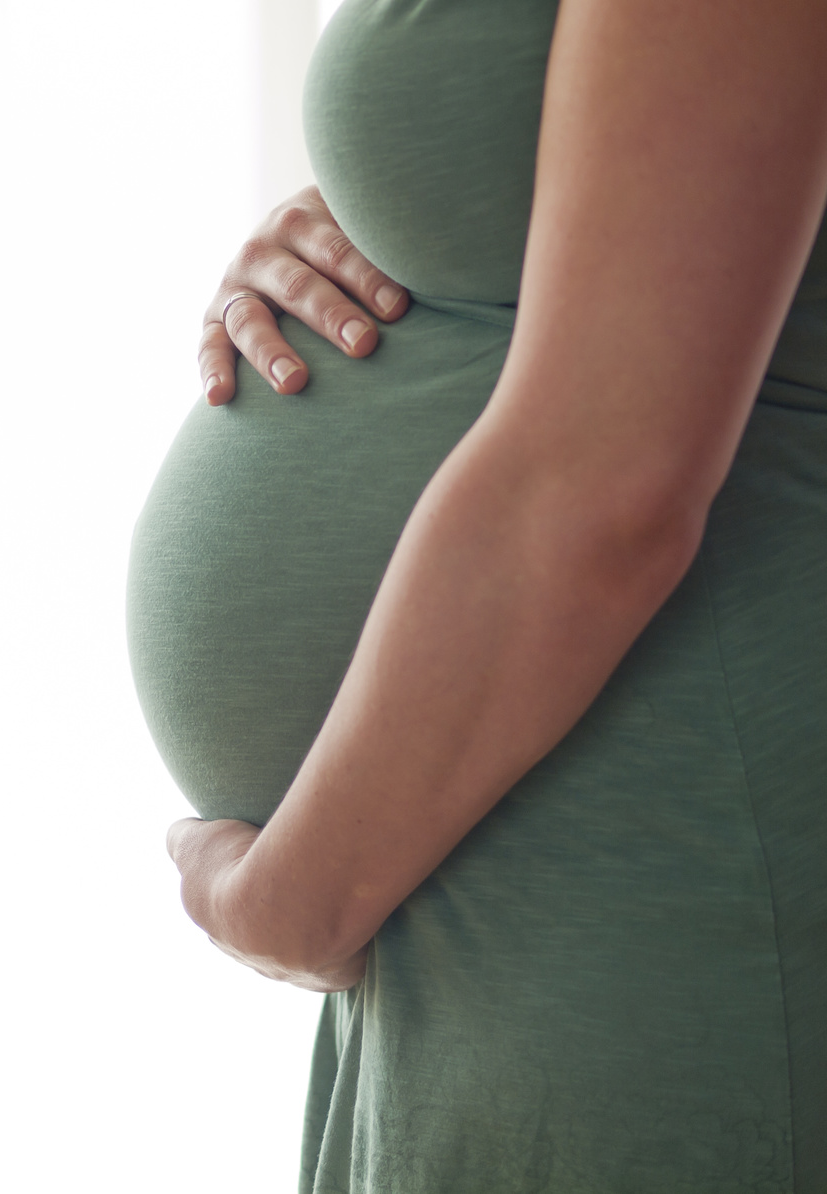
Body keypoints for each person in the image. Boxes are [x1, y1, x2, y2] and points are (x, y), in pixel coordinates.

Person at [125, 0, 827, 1189]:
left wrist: (285, 904)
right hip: (474, 845)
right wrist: (354, 221)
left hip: (661, 859)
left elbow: (605, 488)